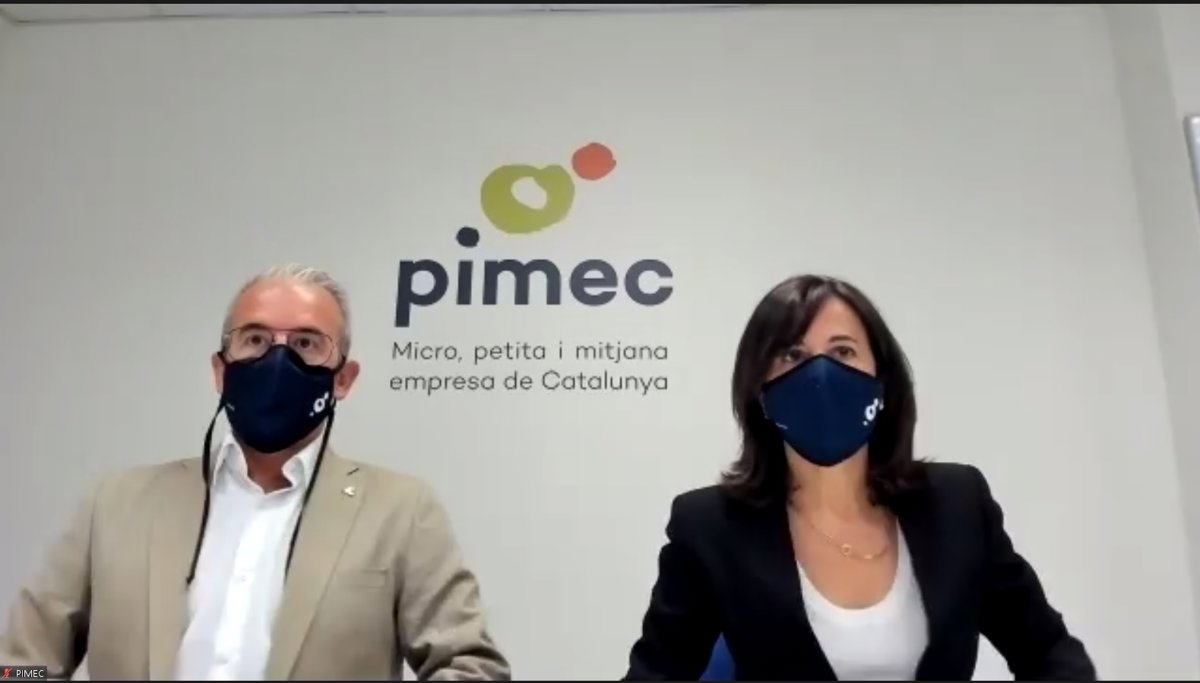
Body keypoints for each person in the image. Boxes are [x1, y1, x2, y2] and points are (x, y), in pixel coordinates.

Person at [0, 264, 510, 681]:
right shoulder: (115, 504)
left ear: (343, 380)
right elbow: (20, 667)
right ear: (220, 370)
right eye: (255, 339)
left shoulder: (400, 510)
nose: (277, 360)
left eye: (307, 343)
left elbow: (471, 667)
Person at [624, 274, 1096, 681]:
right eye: (792, 355)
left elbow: (1050, 652)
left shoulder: (957, 504)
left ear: (881, 381)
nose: (820, 374)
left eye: (843, 351)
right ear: (759, 391)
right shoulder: (710, 526)